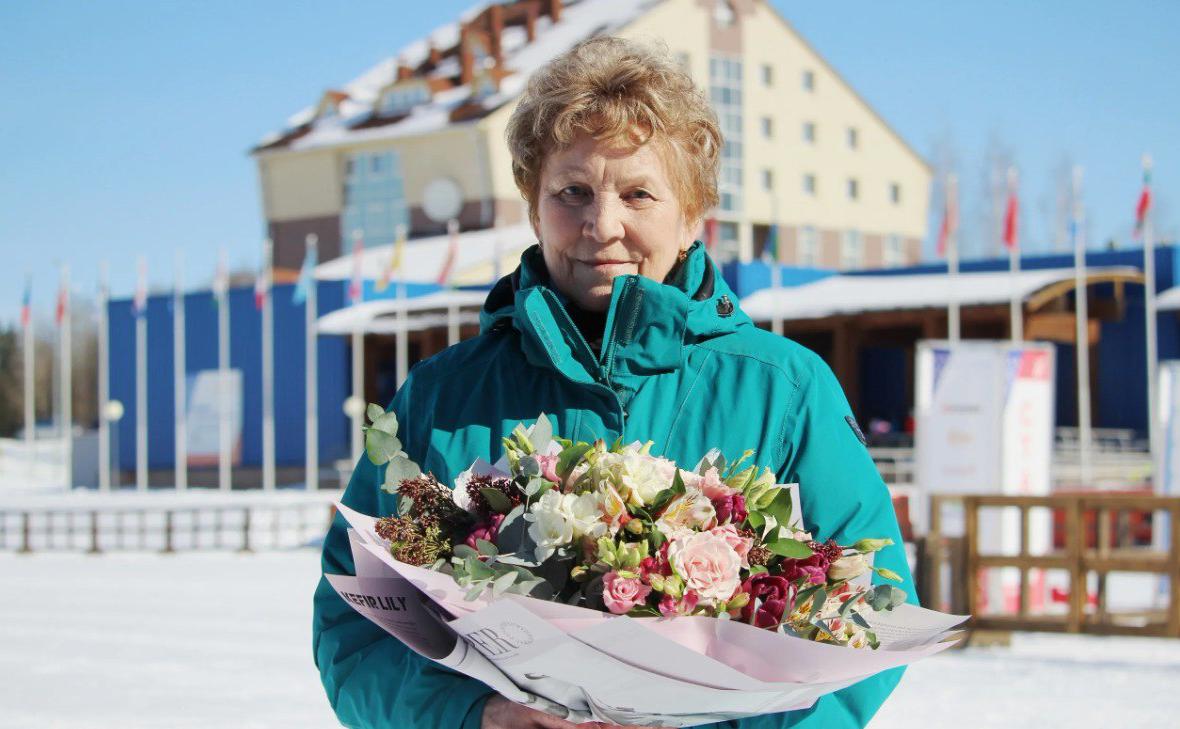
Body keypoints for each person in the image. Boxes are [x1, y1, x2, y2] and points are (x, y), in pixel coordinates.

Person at [312, 36, 916, 729]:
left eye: (639, 193)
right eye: (572, 192)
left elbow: (873, 609)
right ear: (533, 204)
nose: (603, 225)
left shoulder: (784, 389)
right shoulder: (445, 396)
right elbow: (354, 627)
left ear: (692, 215)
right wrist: (474, 716)